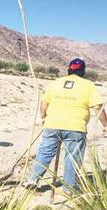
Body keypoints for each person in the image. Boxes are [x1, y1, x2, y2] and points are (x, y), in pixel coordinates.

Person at [24, 58, 107, 192]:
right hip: (76, 127)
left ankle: (33, 179)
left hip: (52, 124)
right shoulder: (88, 85)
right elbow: (98, 107)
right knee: (72, 157)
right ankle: (68, 188)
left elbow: (44, 103)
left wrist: (44, 117)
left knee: (44, 153)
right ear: (83, 71)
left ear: (69, 70)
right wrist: (105, 125)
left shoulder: (56, 82)